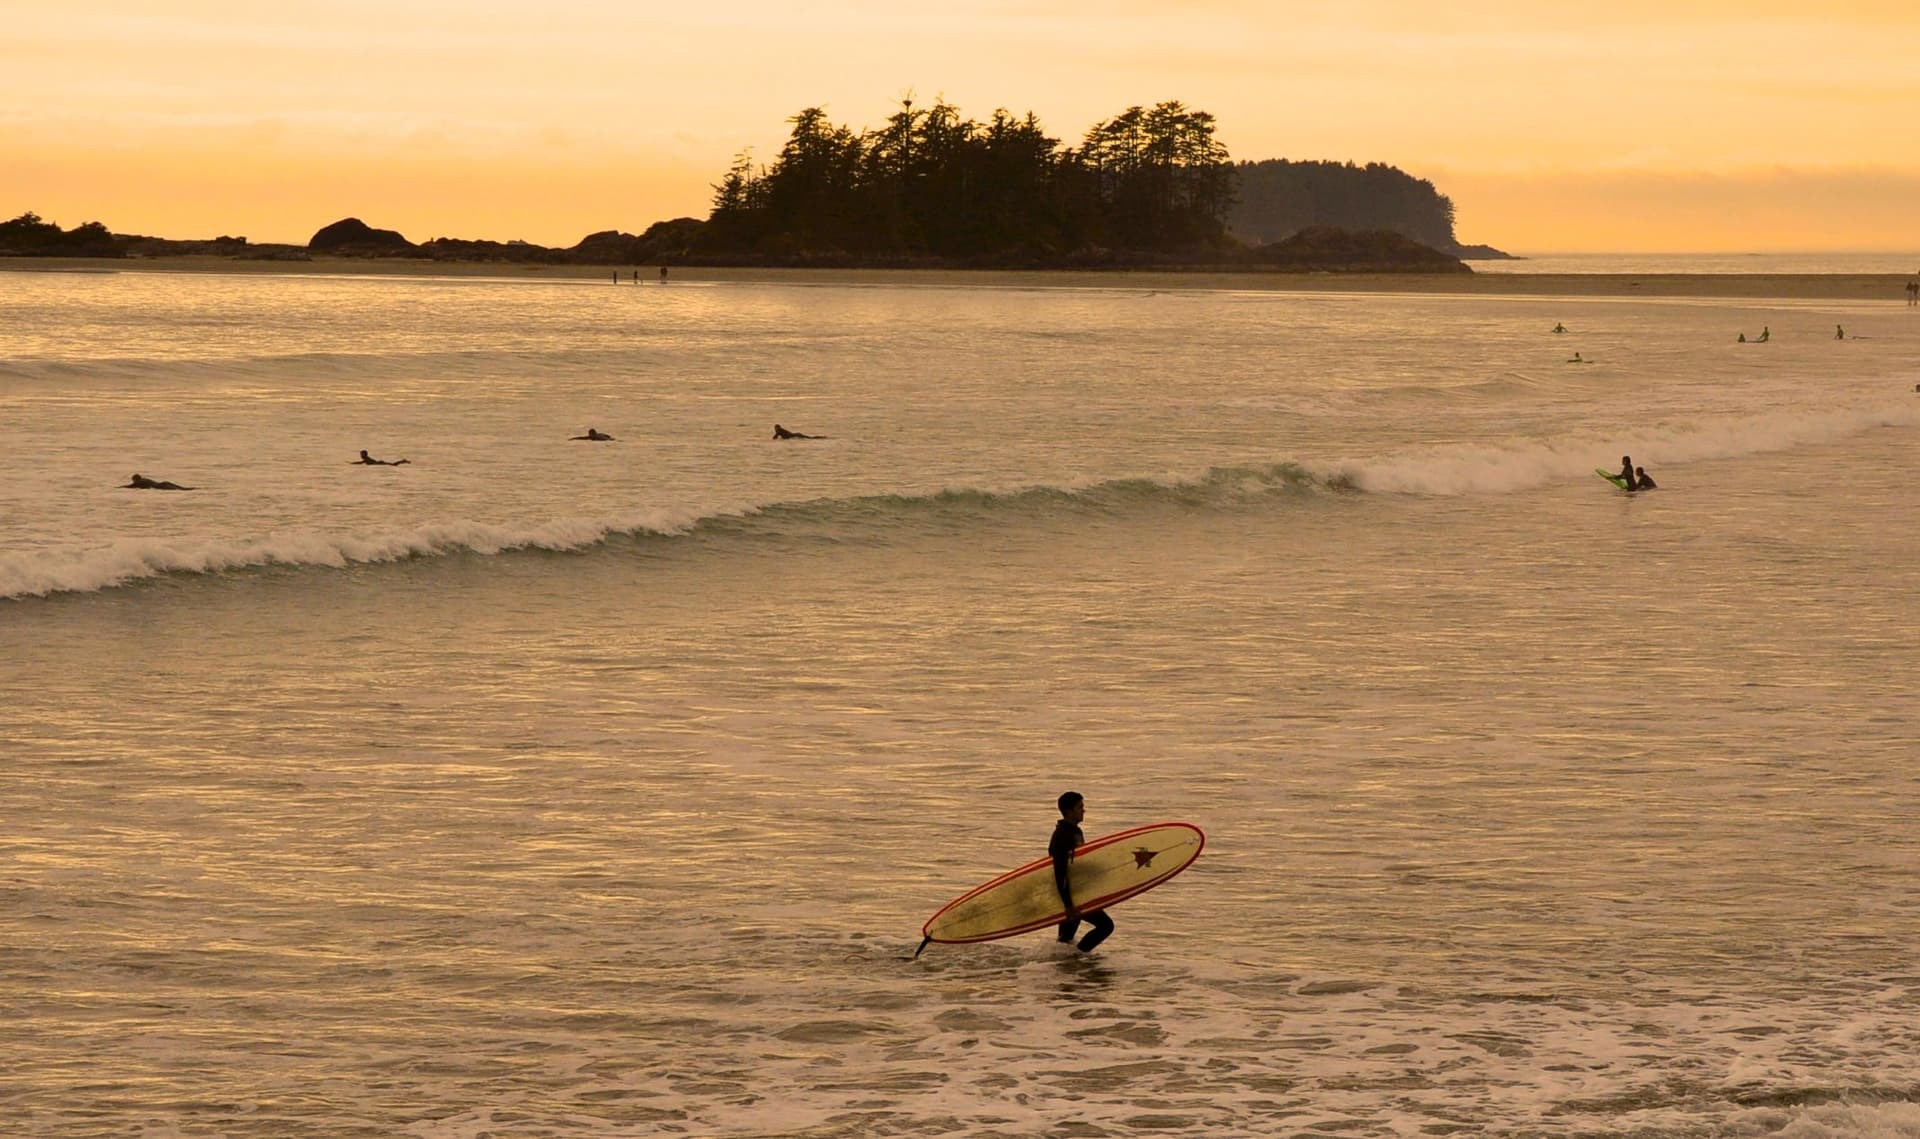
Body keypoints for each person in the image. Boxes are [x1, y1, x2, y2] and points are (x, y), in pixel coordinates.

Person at [1051, 791, 1115, 954]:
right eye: (1080, 807)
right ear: (1069, 811)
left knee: (1064, 942)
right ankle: (1078, 957)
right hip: (1071, 895)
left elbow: (1077, 865)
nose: (1083, 811)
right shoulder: (1062, 835)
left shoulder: (1075, 831)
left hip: (1077, 892)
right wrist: (1068, 904)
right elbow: (1060, 871)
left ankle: (1064, 967)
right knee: (1106, 926)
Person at [123, 473, 193, 490]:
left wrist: (119, 487)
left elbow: (129, 486)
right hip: (164, 483)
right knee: (183, 489)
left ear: (134, 479)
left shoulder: (139, 482)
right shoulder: (146, 479)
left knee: (181, 490)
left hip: (160, 486)